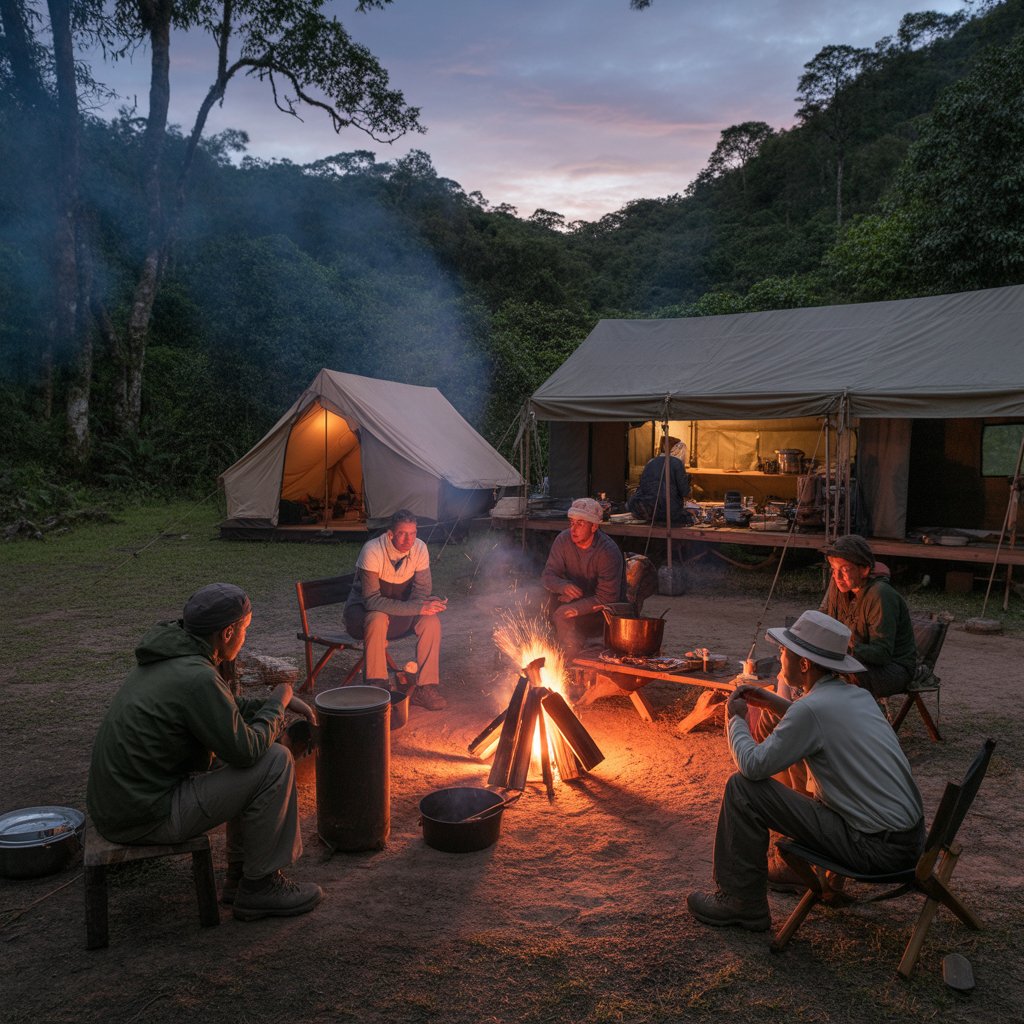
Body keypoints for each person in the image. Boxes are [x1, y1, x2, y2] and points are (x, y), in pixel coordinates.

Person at [86, 583, 323, 921]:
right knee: (274, 760)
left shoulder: (173, 660)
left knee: (245, 756)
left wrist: (269, 703)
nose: (245, 638)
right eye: (245, 630)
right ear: (227, 633)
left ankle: (240, 875)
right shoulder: (197, 677)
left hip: (122, 807)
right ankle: (261, 886)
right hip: (147, 816)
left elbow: (222, 708)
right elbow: (246, 750)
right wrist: (277, 703)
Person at [686, 609, 925, 932]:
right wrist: (773, 703)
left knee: (742, 789)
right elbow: (820, 723)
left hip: (874, 850)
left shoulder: (812, 709)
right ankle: (755, 892)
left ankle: (740, 903)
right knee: (760, 780)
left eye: (785, 651)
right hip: (910, 842)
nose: (780, 656)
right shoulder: (857, 696)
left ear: (804, 665)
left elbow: (752, 766)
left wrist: (736, 719)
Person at [344, 509, 448, 710]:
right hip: (362, 617)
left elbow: (421, 592)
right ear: (390, 534)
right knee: (377, 618)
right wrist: (418, 606)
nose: (409, 539)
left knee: (430, 621)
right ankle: (377, 687)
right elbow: (372, 602)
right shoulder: (372, 550)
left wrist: (426, 604)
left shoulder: (419, 548)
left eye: (413, 533)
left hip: (398, 616)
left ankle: (425, 687)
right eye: (402, 533)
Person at [820, 534, 917, 698]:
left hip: (892, 669)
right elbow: (825, 619)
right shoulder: (839, 585)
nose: (837, 576)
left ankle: (846, 712)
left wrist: (846, 648)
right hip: (852, 660)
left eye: (844, 570)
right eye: (833, 569)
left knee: (844, 677)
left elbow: (882, 654)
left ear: (864, 569)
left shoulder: (880, 595)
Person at [541, 497, 627, 658]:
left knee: (565, 614)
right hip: (576, 600)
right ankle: (568, 649)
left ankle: (582, 651)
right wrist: (562, 586)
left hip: (603, 611)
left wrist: (574, 609)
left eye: (580, 524)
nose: (573, 529)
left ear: (594, 526)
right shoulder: (563, 540)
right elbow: (548, 575)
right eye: (572, 523)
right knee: (545, 599)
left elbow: (608, 597)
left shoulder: (607, 551)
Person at [627, 436, 692, 525]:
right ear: (676, 449)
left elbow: (642, 487)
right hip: (669, 512)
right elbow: (684, 491)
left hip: (647, 510)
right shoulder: (677, 463)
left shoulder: (651, 462)